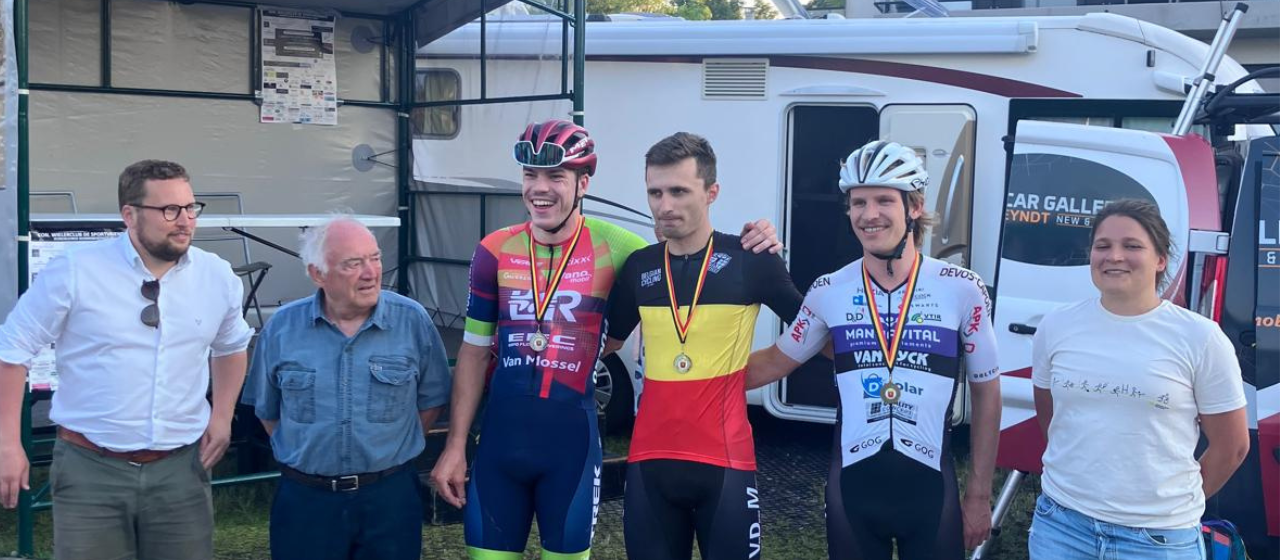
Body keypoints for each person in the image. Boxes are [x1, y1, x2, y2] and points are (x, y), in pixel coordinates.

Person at [429, 119, 781, 559]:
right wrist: (455, 446)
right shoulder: (493, 250)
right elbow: (474, 353)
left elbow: (684, 247)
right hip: (501, 445)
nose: (541, 188)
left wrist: (757, 237)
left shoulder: (620, 247)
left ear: (583, 183)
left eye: (555, 176)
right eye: (530, 175)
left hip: (571, 449)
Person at [742, 140, 1002, 560]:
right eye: (858, 202)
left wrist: (979, 495)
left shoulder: (962, 288)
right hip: (854, 490)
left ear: (914, 207)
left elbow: (988, 394)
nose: (869, 214)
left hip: (931, 492)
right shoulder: (829, 290)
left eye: (884, 200)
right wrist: (693, 382)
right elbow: (774, 362)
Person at [0, 160, 253, 560]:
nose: (184, 220)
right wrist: (8, 443)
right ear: (129, 216)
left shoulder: (216, 275)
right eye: (169, 210)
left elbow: (231, 346)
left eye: (190, 208)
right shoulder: (75, 271)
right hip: (91, 469)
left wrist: (222, 416)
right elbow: (11, 352)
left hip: (180, 470)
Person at [601, 132, 803, 560]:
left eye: (679, 191)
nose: (664, 205)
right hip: (649, 462)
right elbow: (607, 341)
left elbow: (815, 330)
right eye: (655, 192)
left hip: (724, 464)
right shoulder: (640, 266)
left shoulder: (752, 258)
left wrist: (768, 367)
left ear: (712, 193)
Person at [1027, 199, 1249, 560]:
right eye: (1103, 246)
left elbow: (1233, 447)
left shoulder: (1201, 338)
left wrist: (1169, 505)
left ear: (1161, 259)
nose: (1114, 256)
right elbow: (1052, 418)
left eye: (1132, 246)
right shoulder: (1057, 326)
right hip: (1062, 528)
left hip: (1158, 541)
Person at [240, 216, 452, 560]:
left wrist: (388, 452)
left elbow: (431, 401)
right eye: (353, 263)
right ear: (317, 273)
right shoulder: (282, 328)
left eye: (375, 258)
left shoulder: (412, 321)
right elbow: (267, 411)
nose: (371, 272)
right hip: (307, 500)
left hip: (388, 497)